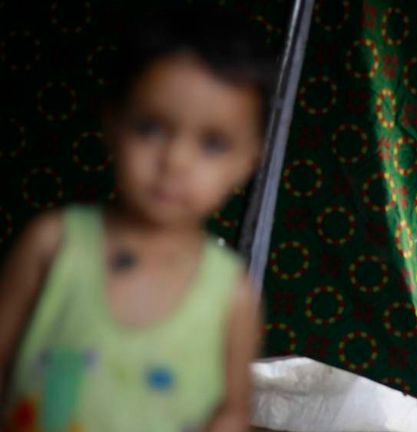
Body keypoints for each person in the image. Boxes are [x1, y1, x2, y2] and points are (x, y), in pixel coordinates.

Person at [0, 9, 275, 431]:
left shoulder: (231, 297)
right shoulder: (52, 246)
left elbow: (231, 415)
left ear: (246, 163)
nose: (175, 161)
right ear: (112, 123)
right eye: (151, 128)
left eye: (213, 144)